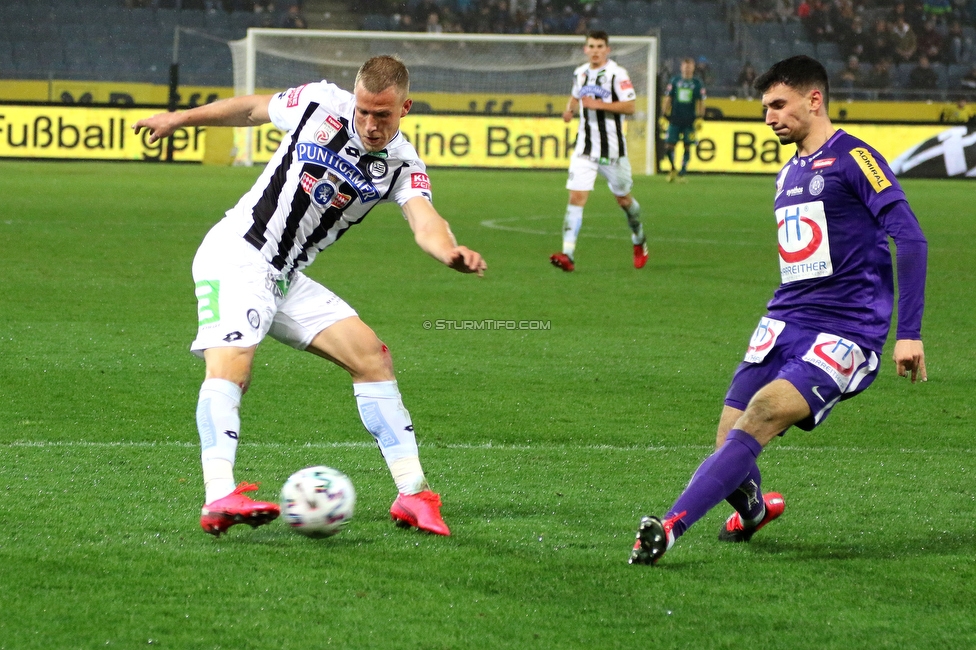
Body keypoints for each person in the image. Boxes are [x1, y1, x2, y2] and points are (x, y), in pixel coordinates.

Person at [132, 56, 486, 538]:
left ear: (406, 108)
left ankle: (413, 494)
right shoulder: (319, 102)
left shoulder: (402, 164)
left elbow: (425, 218)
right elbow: (254, 108)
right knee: (233, 362)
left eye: (382, 115)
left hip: (285, 276)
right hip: (238, 254)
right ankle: (218, 496)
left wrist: (449, 251)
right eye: (364, 111)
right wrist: (180, 118)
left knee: (372, 358)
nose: (370, 123)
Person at [630, 55, 928, 566]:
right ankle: (751, 511)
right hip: (784, 319)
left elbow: (911, 237)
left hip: (847, 329)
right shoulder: (788, 170)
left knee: (763, 414)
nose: (768, 117)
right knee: (728, 439)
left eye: (778, 105)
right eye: (765, 107)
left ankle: (669, 527)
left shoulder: (857, 158)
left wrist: (910, 332)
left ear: (815, 101)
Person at [550, 30, 648, 273]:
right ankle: (568, 254)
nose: (595, 50)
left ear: (607, 50)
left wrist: (599, 105)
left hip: (613, 151)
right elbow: (575, 95)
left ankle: (639, 238)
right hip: (584, 148)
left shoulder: (617, 74)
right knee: (576, 198)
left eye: (599, 46)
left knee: (624, 200)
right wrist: (569, 110)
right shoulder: (580, 73)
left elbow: (631, 106)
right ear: (585, 49)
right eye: (591, 46)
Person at [662, 57, 706, 183]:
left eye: (689, 66)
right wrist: (664, 114)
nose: (687, 68)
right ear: (681, 67)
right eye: (685, 66)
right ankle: (672, 168)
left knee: (687, 146)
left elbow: (700, 101)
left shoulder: (697, 83)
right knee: (669, 145)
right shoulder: (675, 81)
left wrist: (700, 117)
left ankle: (682, 172)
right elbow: (668, 98)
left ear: (693, 68)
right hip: (675, 118)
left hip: (690, 120)